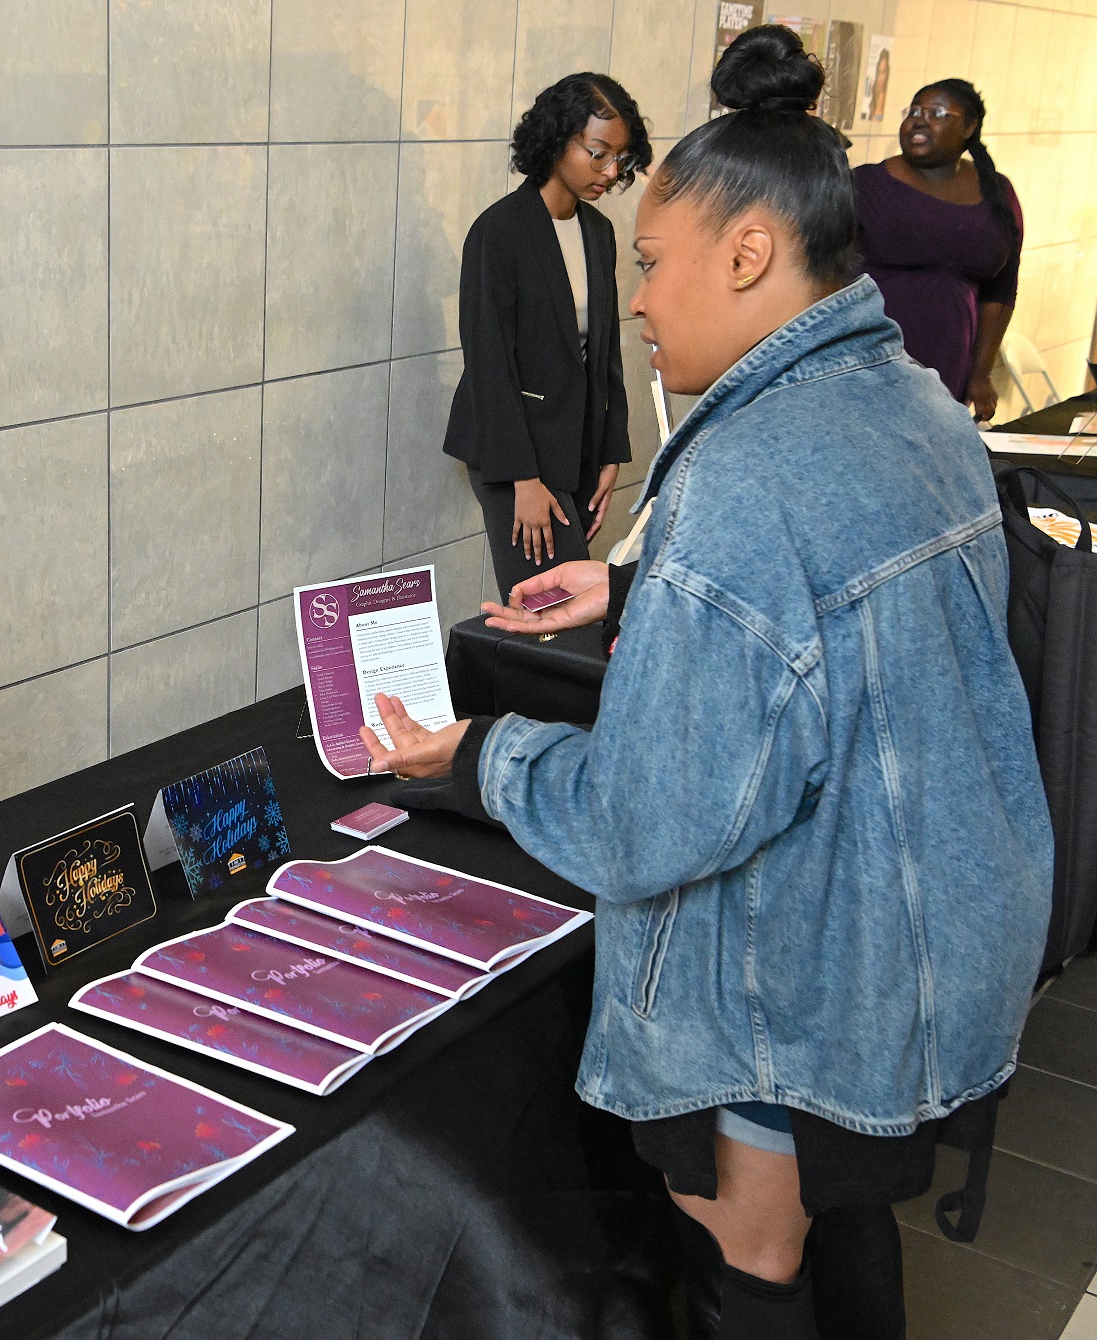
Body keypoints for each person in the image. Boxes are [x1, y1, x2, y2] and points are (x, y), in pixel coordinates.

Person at [364, 27, 1050, 1340]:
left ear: (745, 254)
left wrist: (478, 754)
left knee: (751, 1253)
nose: (636, 301)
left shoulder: (741, 480)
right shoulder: (915, 402)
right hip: (920, 941)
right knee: (836, 1232)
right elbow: (844, 612)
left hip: (795, 971)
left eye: (650, 262)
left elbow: (648, 817)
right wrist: (637, 585)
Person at [442, 73, 652, 600]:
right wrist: (524, 480)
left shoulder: (598, 232)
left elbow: (605, 352)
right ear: (557, 140)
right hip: (515, 452)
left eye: (619, 158)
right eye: (598, 154)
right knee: (547, 607)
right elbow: (488, 363)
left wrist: (611, 450)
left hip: (578, 445)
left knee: (563, 602)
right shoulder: (499, 232)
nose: (611, 172)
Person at [854, 78, 1022, 421]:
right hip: (868, 361)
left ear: (969, 127)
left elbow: (1002, 289)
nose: (920, 121)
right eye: (914, 111)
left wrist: (981, 373)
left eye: (938, 113)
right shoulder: (865, 185)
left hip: (949, 366)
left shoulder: (997, 192)